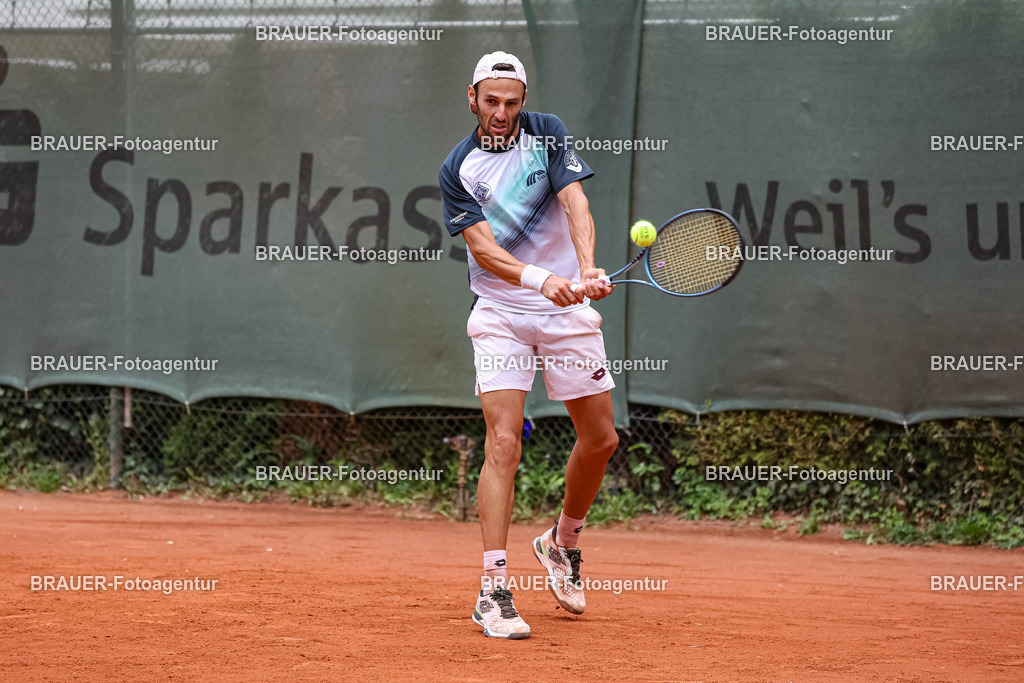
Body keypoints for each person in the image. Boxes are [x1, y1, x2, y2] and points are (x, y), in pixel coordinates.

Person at [438, 51, 619, 640]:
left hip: (565, 307)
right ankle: (493, 590)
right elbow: (485, 252)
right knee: (504, 443)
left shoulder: (548, 134)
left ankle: (561, 543)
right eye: (491, 101)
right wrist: (546, 281)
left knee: (601, 440)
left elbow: (575, 202)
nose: (502, 112)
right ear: (473, 98)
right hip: (500, 314)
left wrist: (587, 268)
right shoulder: (458, 168)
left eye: (511, 102)